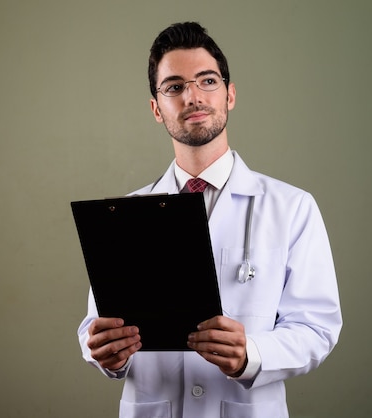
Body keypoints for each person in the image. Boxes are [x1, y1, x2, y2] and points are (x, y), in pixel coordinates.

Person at [77, 22, 342, 418]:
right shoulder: (126, 214)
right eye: (174, 86)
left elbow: (318, 328)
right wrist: (104, 352)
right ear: (156, 108)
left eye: (207, 81)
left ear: (230, 94)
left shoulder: (292, 207)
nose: (193, 97)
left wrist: (252, 354)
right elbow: (96, 325)